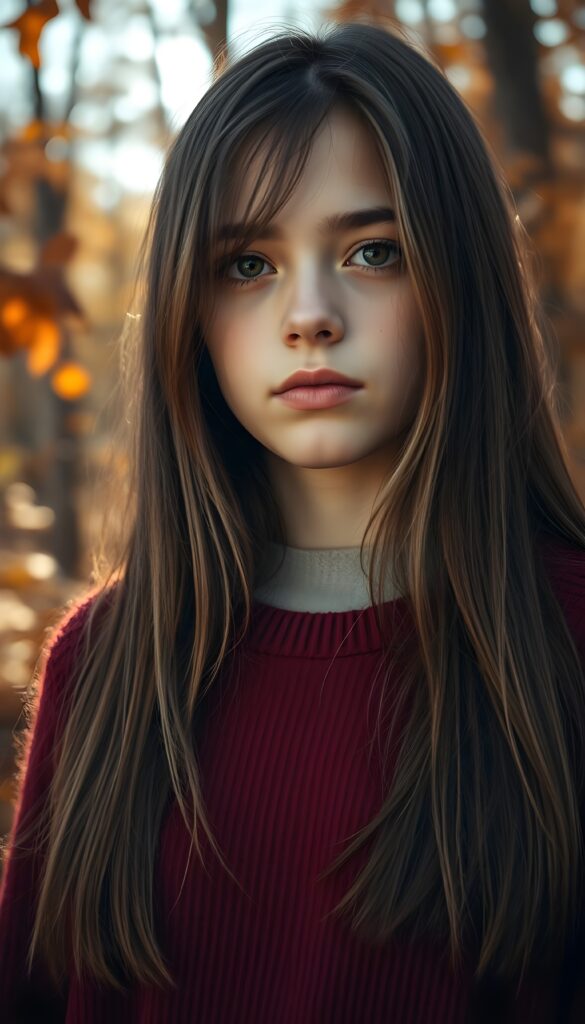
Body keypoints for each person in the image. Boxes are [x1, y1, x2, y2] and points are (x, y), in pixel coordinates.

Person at [1, 18, 584, 1024]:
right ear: (187, 310)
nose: (309, 315)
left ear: (459, 275)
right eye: (248, 265)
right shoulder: (103, 662)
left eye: (372, 251)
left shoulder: (567, 636)